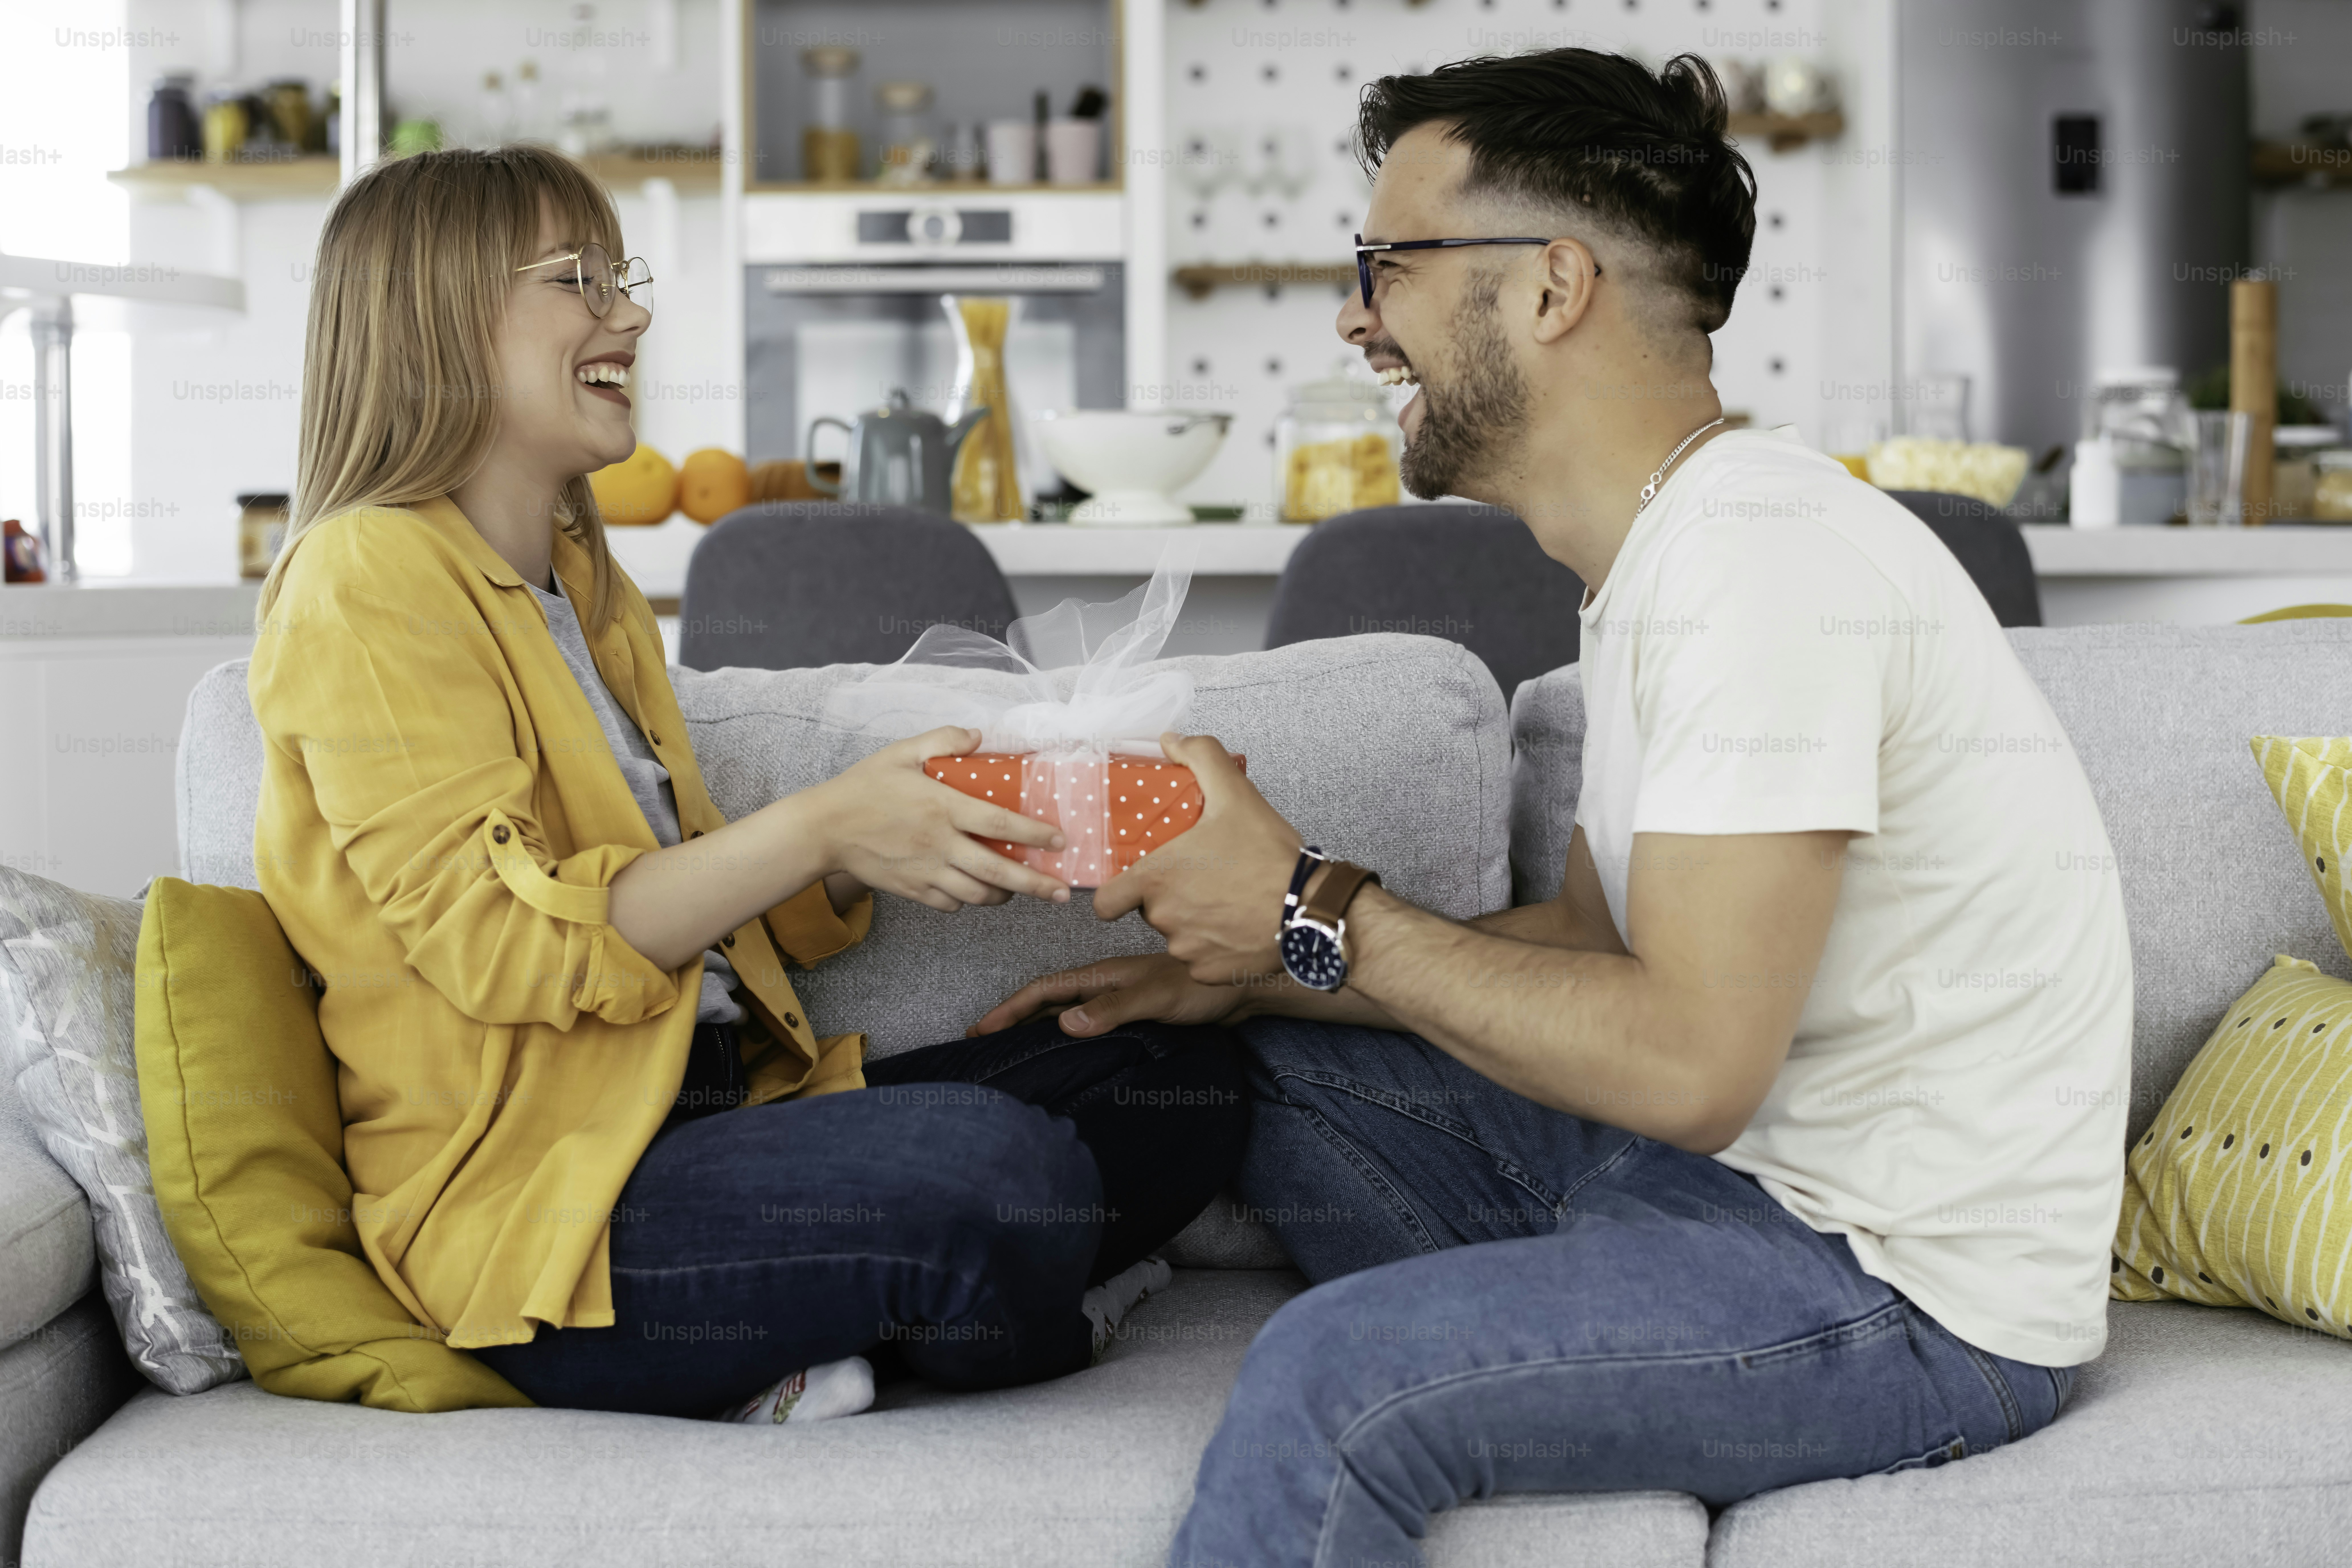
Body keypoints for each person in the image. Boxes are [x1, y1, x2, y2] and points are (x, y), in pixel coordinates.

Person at [974, 49, 2132, 1565]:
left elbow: (1695, 1063)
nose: (1354, 314)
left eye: (1386, 265)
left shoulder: (1758, 567)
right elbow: (1593, 938)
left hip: (1898, 1288)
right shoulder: (1655, 561)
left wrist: (1308, 902)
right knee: (1217, 1054)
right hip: (1707, 1187)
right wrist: (1260, 969)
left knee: (1334, 1378)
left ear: (1549, 288)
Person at [248, 145, 1248, 1426]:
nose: (633, 312)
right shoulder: (363, 578)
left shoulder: (586, 591)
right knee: (996, 1172)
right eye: (580, 279)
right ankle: (951, 1314)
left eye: (624, 276)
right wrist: (819, 821)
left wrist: (864, 838)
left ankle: (851, 1334)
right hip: (560, 1208)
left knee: (1182, 1076)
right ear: (437, 311)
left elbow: (686, 908)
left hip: (720, 1123)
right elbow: (502, 944)